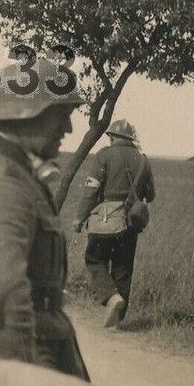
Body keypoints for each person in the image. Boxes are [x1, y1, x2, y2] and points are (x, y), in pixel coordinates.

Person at [0, 59, 89, 381]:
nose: (67, 129)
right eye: (61, 116)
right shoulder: (4, 182)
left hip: (31, 343)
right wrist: (23, 383)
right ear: (28, 114)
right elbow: (3, 294)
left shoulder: (15, 171)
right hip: (12, 353)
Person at [73, 119, 155, 328]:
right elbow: (151, 195)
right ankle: (117, 320)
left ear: (112, 137)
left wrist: (79, 218)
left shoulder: (103, 156)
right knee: (123, 268)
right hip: (130, 222)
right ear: (130, 138)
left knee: (94, 259)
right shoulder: (143, 160)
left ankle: (111, 297)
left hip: (105, 219)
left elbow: (91, 190)